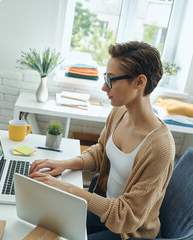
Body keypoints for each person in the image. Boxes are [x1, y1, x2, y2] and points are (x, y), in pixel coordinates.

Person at [28, 41, 175, 240]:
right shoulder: (119, 113)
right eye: (106, 77)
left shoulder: (160, 147)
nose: (104, 87)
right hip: (107, 209)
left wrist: (68, 189)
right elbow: (101, 152)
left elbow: (127, 216)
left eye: (111, 80)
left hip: (129, 231)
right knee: (45, 220)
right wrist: (63, 164)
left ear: (140, 82)